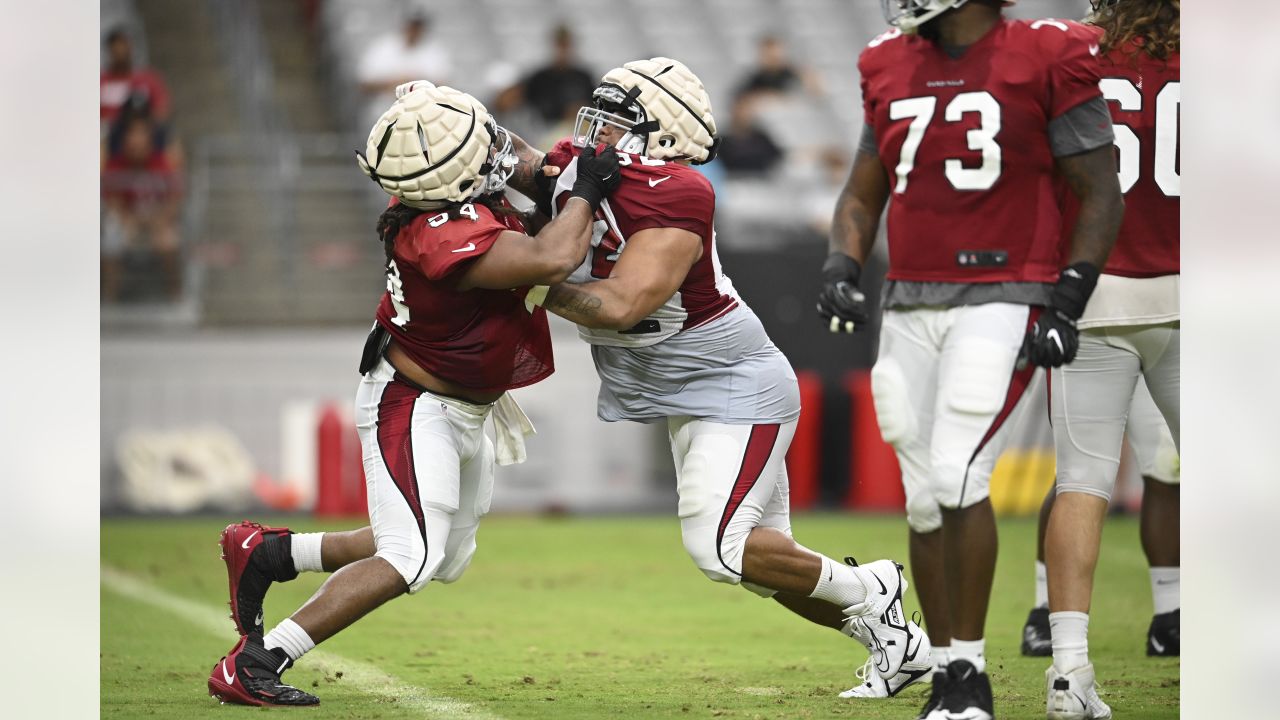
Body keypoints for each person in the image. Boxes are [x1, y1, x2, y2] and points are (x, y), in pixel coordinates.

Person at [205, 84, 621, 707]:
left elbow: (520, 160)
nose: (495, 152)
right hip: (414, 400)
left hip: (464, 404)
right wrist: (587, 187)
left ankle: (270, 554)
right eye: (481, 149)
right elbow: (552, 256)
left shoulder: (438, 192)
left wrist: (568, 163)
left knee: (441, 554)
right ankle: (259, 661)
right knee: (411, 555)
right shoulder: (439, 233)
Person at [518, 57, 925, 686]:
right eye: (595, 117)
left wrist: (524, 282)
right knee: (766, 566)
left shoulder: (679, 192)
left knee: (720, 547)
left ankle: (874, 585)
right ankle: (898, 645)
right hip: (680, 387)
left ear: (659, 134)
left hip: (731, 384)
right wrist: (458, 136)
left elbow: (623, 305)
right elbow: (517, 161)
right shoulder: (590, 163)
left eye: (615, 122)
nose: (595, 135)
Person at [819, 1, 1124, 718]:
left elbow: (1098, 187)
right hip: (911, 299)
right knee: (923, 491)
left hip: (1004, 289)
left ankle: (970, 671)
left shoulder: (1046, 53)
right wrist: (842, 261)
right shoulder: (887, 61)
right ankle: (950, 677)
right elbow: (865, 187)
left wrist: (1068, 296)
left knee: (958, 471)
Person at [1041, 1, 1179, 717]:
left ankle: (1068, 671)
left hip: (1091, 293)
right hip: (1193, 296)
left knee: (1082, 485)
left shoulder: (1070, 54)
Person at [1020, 385, 1180, 659]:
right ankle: (1045, 610)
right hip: (1095, 347)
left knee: (1166, 464)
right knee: (1076, 475)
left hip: (1157, 345)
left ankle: (1169, 617)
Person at [101, 114, 184, 301]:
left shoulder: (161, 162)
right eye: (132, 139)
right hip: (128, 216)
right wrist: (126, 218)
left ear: (149, 142)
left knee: (169, 241)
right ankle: (110, 294)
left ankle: (175, 292)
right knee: (111, 241)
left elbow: (175, 197)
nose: (136, 144)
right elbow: (111, 200)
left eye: (141, 139)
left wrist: (161, 220)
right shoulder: (116, 164)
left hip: (157, 217)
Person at [492, 24, 596, 128]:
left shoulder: (584, 78)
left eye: (565, 44)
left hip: (576, 131)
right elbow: (510, 99)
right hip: (544, 133)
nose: (562, 50)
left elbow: (595, 106)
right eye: (559, 44)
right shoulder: (539, 78)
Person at [357, 10, 453, 105]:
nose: (414, 30)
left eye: (417, 27)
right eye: (411, 26)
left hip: (422, 109)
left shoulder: (435, 51)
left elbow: (443, 86)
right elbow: (365, 84)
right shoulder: (383, 47)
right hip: (384, 108)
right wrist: (395, 83)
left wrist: (411, 83)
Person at [100, 26, 171, 128]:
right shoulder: (102, 82)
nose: (120, 53)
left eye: (123, 48)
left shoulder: (148, 79)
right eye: (115, 50)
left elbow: (162, 111)